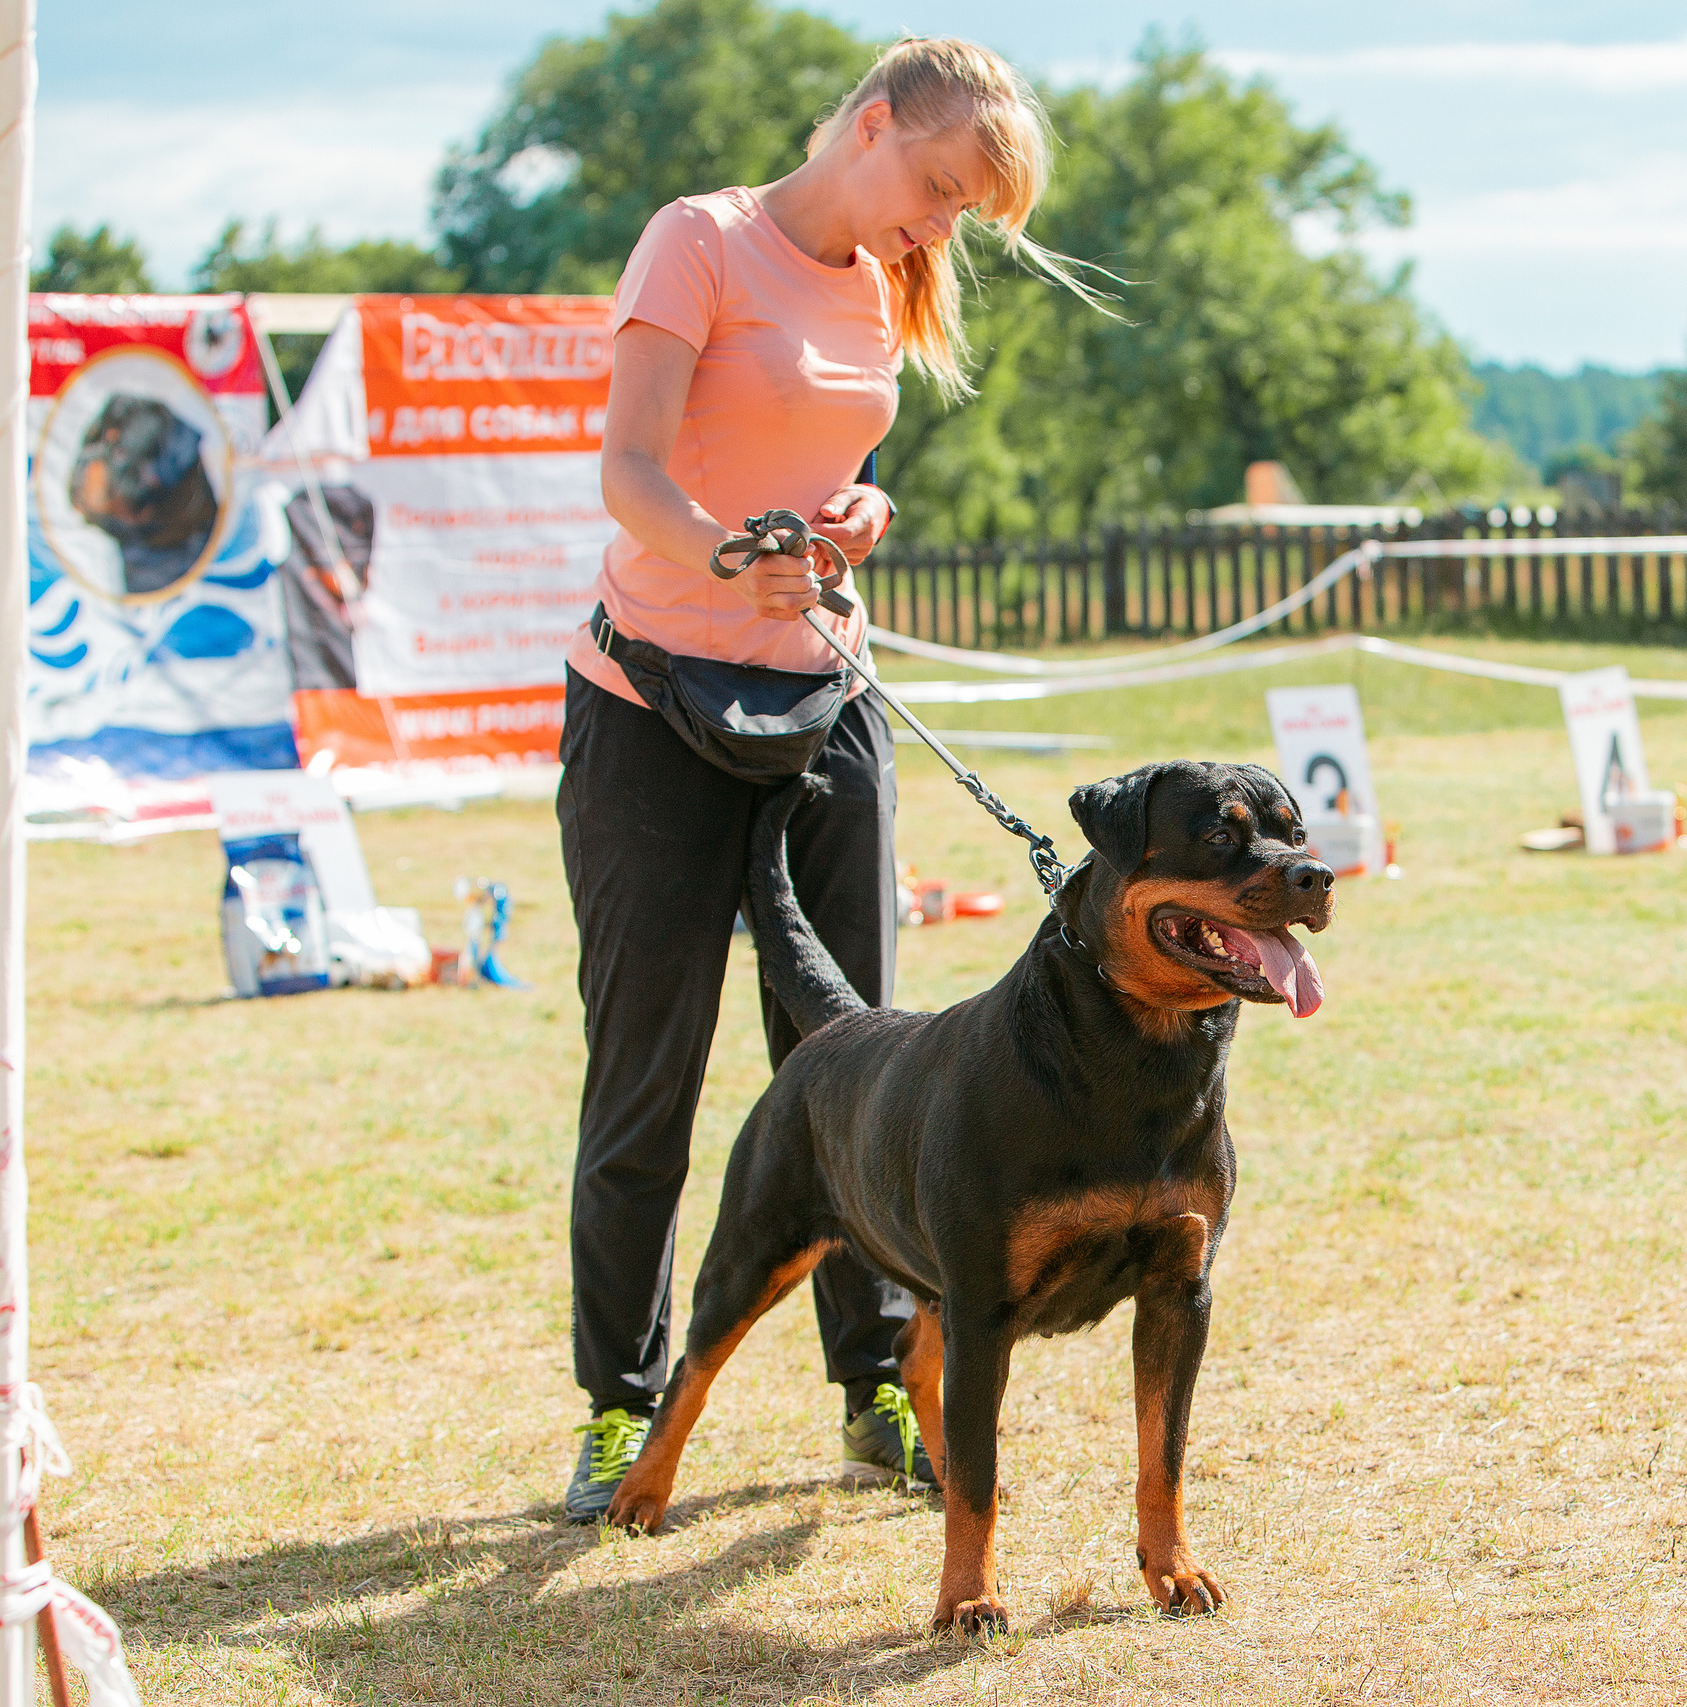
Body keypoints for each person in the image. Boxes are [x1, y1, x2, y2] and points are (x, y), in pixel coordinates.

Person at [556, 36, 1099, 1523]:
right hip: (650, 704)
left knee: (861, 1063)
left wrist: (855, 516)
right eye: (934, 189)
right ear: (869, 126)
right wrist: (736, 550)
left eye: (960, 213)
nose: (938, 229)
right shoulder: (699, 241)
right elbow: (633, 476)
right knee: (647, 1075)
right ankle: (621, 1404)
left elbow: (824, 455)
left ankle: (873, 1385)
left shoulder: (883, 279)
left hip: (821, 701)